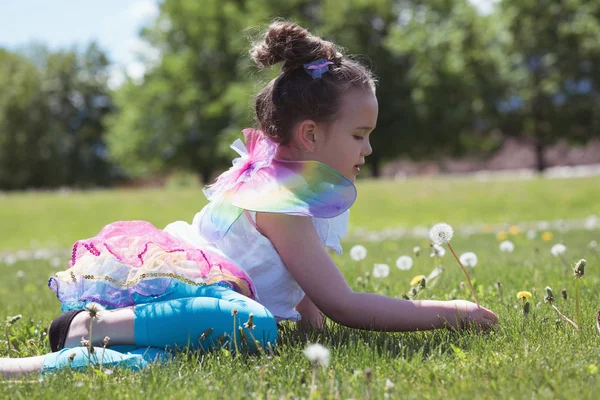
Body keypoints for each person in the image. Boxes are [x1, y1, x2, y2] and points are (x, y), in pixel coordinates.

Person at [0, 21, 498, 378]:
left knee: (182, 357)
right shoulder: (277, 200)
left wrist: (310, 329)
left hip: (201, 309)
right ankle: (92, 327)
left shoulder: (293, 186)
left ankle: (44, 363)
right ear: (309, 134)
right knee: (250, 324)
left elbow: (304, 288)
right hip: (182, 295)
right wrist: (451, 312)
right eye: (359, 135)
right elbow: (342, 303)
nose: (368, 149)